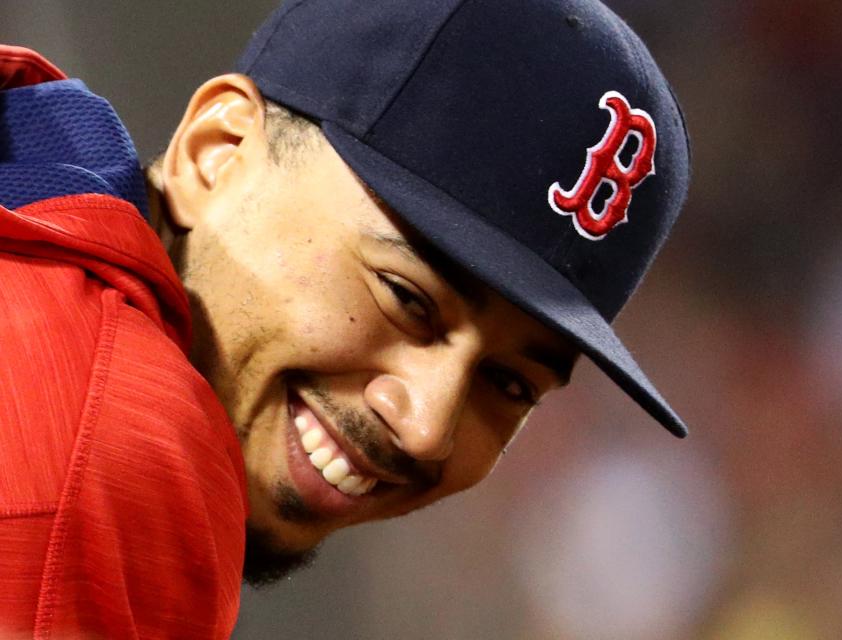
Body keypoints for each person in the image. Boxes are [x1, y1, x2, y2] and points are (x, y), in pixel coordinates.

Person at [0, 0, 691, 637]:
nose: (426, 427)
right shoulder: (101, 467)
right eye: (405, 297)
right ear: (219, 154)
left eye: (509, 384)